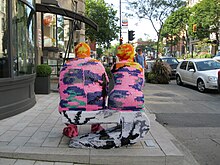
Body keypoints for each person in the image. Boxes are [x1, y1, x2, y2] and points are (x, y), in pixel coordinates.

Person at [58, 42, 109, 137]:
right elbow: (106, 86)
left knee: (67, 101)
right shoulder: (98, 64)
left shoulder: (66, 65)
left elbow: (60, 87)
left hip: (69, 107)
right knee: (99, 96)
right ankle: (96, 126)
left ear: (75, 53)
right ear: (89, 52)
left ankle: (72, 127)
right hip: (95, 107)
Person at [108, 43, 144, 111]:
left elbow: (112, 83)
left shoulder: (115, 66)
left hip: (116, 99)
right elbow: (141, 85)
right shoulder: (139, 67)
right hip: (137, 99)